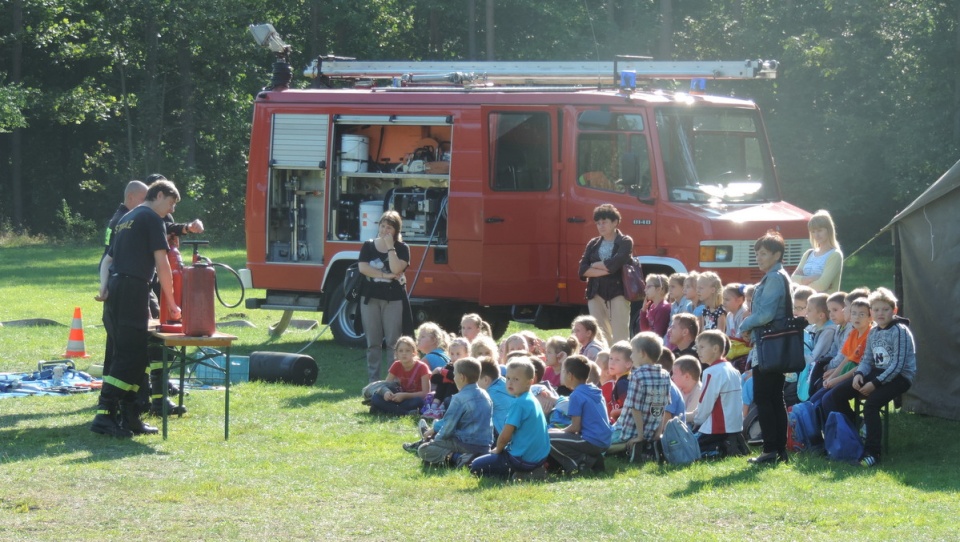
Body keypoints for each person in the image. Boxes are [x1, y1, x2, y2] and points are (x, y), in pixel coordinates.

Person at [91, 179, 182, 438]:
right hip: (133, 290)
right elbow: (162, 262)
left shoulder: (125, 218)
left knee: (135, 354)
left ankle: (131, 417)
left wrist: (104, 288)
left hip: (118, 289)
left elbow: (108, 259)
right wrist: (172, 302)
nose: (171, 210)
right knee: (130, 356)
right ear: (160, 194)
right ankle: (104, 416)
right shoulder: (151, 218)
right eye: (171, 203)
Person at [821, 287, 916, 467]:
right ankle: (855, 434)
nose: (881, 313)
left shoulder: (900, 331)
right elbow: (867, 360)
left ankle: (873, 452)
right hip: (877, 373)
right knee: (835, 395)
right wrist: (858, 374)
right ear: (872, 312)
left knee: (872, 404)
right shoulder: (874, 332)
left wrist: (874, 383)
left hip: (900, 377)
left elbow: (898, 365)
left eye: (885, 309)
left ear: (894, 311)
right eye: (877, 310)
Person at [740, 230, 791, 465]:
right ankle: (778, 449)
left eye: (763, 253)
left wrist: (745, 324)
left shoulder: (774, 278)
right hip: (773, 346)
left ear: (777, 254)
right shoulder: (777, 276)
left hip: (770, 347)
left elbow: (767, 313)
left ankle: (770, 450)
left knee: (764, 397)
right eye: (757, 253)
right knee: (773, 397)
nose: (758, 258)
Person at [470, 358, 551, 479]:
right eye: (508, 378)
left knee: (476, 466)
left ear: (530, 382)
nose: (510, 383)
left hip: (521, 459)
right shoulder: (532, 399)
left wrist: (498, 450)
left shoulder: (519, 403)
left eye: (516, 379)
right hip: (539, 457)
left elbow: (505, 436)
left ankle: (524, 473)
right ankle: (533, 470)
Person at [358, 211, 410, 383]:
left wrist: (390, 247)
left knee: (393, 342)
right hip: (370, 299)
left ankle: (393, 381)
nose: (384, 230)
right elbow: (363, 268)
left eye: (389, 227)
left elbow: (396, 269)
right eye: (382, 226)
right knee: (373, 342)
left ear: (396, 230)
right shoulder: (368, 245)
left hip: (393, 300)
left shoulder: (403, 249)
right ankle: (373, 380)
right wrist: (384, 275)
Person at [415, 358, 494, 468]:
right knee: (434, 438)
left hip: (466, 444)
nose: (454, 377)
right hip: (485, 446)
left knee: (423, 449)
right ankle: (470, 456)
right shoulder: (485, 394)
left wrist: (436, 441)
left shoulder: (459, 398)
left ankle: (458, 458)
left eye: (454, 374)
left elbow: (448, 427)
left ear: (462, 377)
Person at [578, 204, 634, 344]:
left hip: (618, 292)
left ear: (615, 222)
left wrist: (595, 266)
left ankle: (622, 364)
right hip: (595, 293)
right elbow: (582, 270)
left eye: (604, 222)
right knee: (600, 336)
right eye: (598, 223)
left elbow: (615, 265)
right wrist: (606, 269)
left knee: (620, 334)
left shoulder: (625, 241)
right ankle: (604, 364)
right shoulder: (593, 243)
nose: (601, 226)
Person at [548, 355, 613, 474]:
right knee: (551, 432)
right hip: (604, 440)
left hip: (591, 441)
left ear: (570, 375)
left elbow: (575, 427)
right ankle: (592, 460)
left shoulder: (576, 395)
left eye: (563, 371)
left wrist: (559, 432)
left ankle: (583, 462)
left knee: (546, 437)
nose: (560, 374)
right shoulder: (594, 389)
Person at [608, 332, 671, 454]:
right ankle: (649, 445)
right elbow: (661, 406)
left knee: (599, 445)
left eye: (633, 352)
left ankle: (630, 446)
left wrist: (640, 436)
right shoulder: (665, 375)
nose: (631, 356)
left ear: (642, 353)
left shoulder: (637, 376)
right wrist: (658, 433)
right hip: (652, 431)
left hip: (628, 430)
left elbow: (635, 408)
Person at [691, 330, 743, 454]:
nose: (698, 351)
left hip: (717, 429)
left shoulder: (711, 372)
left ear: (715, 348)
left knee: (688, 448)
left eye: (702, 347)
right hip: (735, 428)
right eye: (697, 347)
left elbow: (706, 402)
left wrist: (697, 421)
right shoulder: (733, 370)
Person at [368, 337, 430, 416]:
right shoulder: (396, 365)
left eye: (407, 350)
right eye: (401, 351)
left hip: (412, 398)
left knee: (418, 402)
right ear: (396, 353)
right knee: (375, 398)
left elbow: (425, 393)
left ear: (414, 352)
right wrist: (386, 393)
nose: (404, 353)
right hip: (398, 398)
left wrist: (404, 396)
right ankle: (405, 413)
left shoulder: (422, 367)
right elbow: (386, 385)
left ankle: (385, 409)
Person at [791, 209, 843, 293]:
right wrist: (813, 278)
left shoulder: (835, 255)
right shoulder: (808, 254)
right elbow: (792, 279)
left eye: (820, 230)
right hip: (804, 304)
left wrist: (801, 281)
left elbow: (822, 285)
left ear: (829, 230)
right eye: (813, 232)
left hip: (824, 304)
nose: (816, 235)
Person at [477, 357, 514, 437]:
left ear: (486, 380)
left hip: (509, 439)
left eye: (475, 380)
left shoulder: (489, 395)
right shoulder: (505, 383)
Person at [639, 273, 671, 338]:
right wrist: (644, 310)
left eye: (648, 287)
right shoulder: (653, 307)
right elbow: (644, 330)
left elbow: (658, 334)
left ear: (658, 289)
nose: (645, 290)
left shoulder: (663, 308)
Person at [672, 355, 702, 421]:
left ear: (687, 377)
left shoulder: (699, 392)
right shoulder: (678, 389)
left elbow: (688, 419)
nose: (672, 377)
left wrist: (670, 416)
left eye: (674, 373)